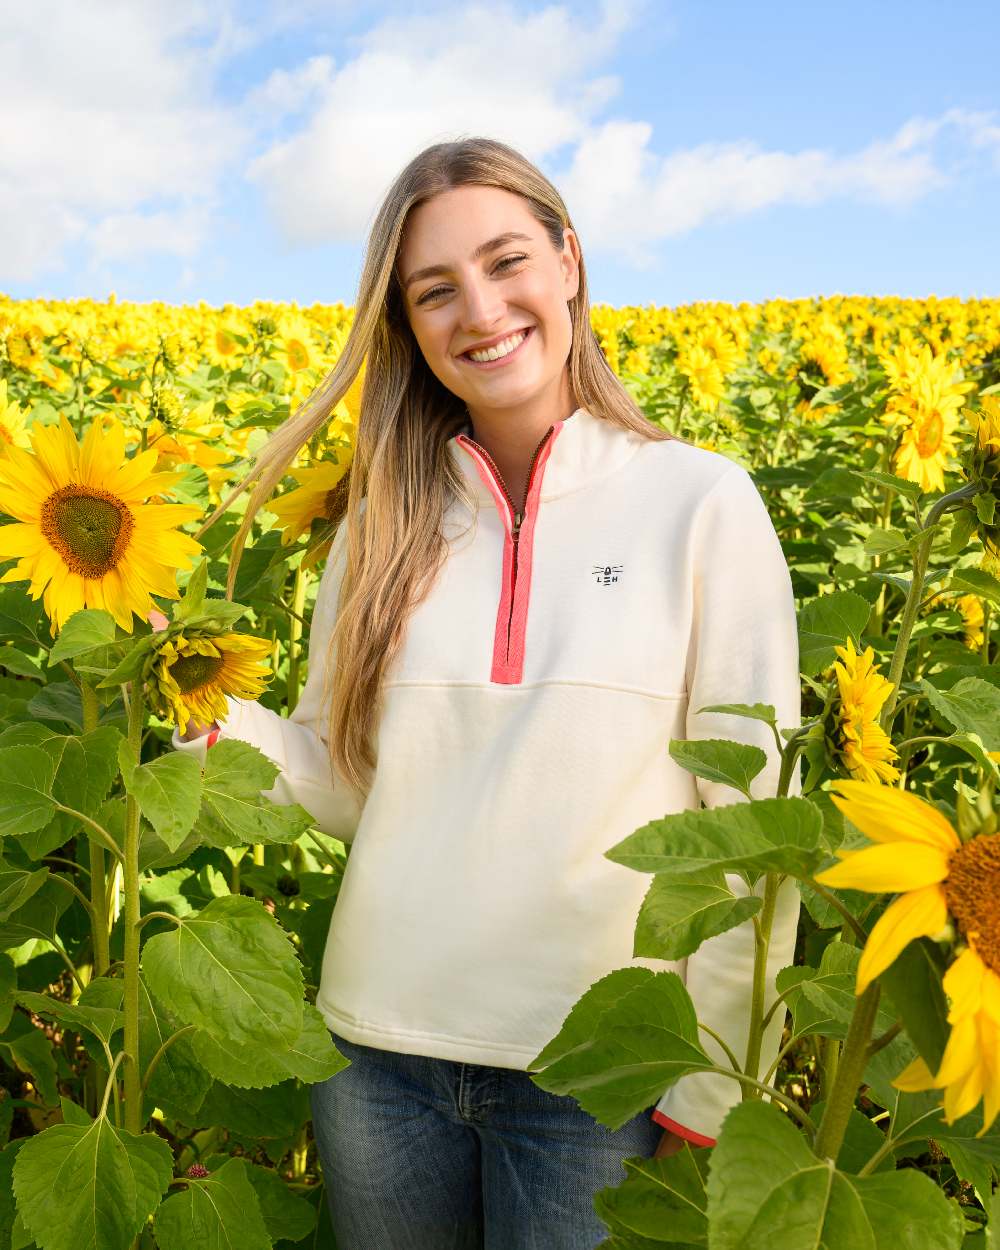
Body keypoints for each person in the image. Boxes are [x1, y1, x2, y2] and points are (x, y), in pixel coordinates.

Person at [172, 136, 802, 1250]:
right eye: (434, 291)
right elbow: (349, 780)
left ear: (568, 261)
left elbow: (748, 835)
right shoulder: (383, 524)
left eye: (507, 261)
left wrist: (714, 1089)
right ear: (406, 326)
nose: (480, 309)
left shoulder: (699, 503)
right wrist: (191, 711)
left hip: (595, 1079)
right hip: (377, 1059)